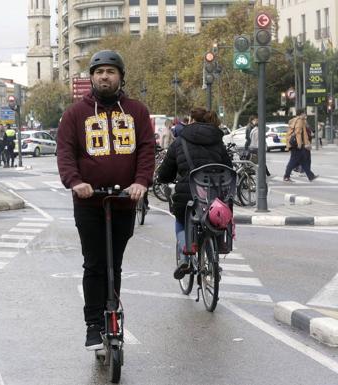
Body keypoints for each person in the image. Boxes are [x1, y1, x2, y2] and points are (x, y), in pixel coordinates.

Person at [56, 50, 155, 350]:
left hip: (124, 201)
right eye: (99, 72)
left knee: (116, 263)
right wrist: (75, 182)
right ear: (91, 78)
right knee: (95, 263)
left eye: (111, 71)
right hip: (89, 203)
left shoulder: (136, 111)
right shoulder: (75, 114)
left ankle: (112, 313)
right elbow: (65, 153)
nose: (104, 76)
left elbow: (147, 150)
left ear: (121, 77)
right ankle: (93, 324)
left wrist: (140, 182)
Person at [156, 107, 232, 280]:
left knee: (181, 218)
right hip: (215, 196)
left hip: (188, 194)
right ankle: (213, 257)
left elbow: (166, 171)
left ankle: (184, 257)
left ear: (190, 120)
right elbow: (229, 167)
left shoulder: (180, 141)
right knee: (212, 218)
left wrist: (163, 178)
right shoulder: (217, 140)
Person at [283, 108, 317, 182]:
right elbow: (298, 133)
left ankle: (311, 176)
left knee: (303, 160)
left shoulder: (297, 120)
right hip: (296, 144)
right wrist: (299, 144)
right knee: (293, 161)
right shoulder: (299, 121)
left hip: (296, 143)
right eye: (304, 113)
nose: (305, 114)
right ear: (301, 114)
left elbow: (303, 134)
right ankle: (286, 176)